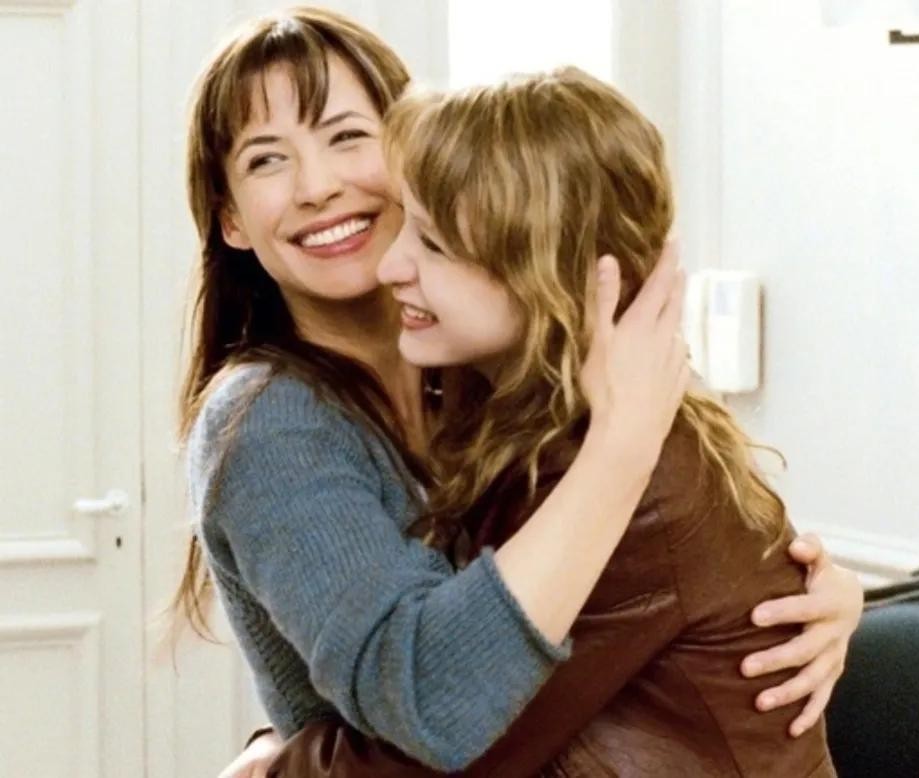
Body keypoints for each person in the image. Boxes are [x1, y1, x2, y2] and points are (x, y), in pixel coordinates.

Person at [174, 8, 860, 778]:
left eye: (346, 136)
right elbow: (439, 706)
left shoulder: (490, 383)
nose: (319, 186)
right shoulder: (272, 422)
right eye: (268, 160)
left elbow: (651, 608)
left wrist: (823, 590)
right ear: (231, 219)